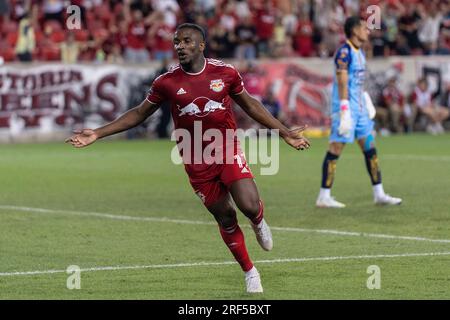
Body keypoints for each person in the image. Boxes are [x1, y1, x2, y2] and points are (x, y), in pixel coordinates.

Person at [65, 23, 310, 293]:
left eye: (186, 41)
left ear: (201, 45)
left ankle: (258, 221)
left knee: (249, 204)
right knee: (226, 217)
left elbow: (251, 104)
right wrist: (98, 133)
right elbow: (139, 113)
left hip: (226, 148)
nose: (180, 46)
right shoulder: (167, 82)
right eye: (177, 42)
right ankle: (250, 271)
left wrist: (284, 132)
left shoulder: (225, 73)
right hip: (195, 158)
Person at [315, 16, 402, 208]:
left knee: (370, 148)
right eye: (364, 28)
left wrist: (366, 100)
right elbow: (343, 81)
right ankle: (323, 196)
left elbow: (358, 83)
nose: (368, 31)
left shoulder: (360, 52)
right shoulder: (344, 52)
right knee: (335, 150)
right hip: (345, 110)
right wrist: (345, 109)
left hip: (360, 111)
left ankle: (379, 194)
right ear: (354, 30)